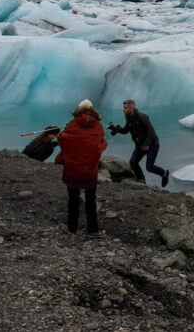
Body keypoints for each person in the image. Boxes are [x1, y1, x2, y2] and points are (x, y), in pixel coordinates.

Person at [55, 99, 108, 238]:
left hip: (72, 168)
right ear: (91, 109)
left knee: (73, 198)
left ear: (79, 109)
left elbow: (62, 139)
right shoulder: (98, 126)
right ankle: (93, 230)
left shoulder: (72, 124)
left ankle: (71, 228)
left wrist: (61, 133)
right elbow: (101, 143)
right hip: (90, 169)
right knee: (91, 199)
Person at [108, 99, 170, 187]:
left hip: (152, 144)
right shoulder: (128, 117)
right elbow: (126, 130)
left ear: (131, 108)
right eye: (123, 108)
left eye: (125, 108)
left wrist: (146, 144)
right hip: (140, 145)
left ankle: (164, 173)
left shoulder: (142, 117)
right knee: (133, 162)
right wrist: (115, 129)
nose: (123, 110)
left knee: (149, 167)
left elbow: (151, 131)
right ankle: (141, 180)